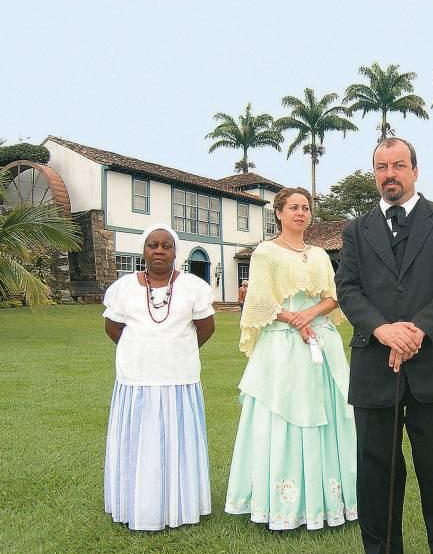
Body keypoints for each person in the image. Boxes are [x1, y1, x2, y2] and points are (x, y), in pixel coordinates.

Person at [335, 138, 433, 554]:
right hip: (375, 363)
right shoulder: (356, 231)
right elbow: (348, 287)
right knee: (376, 469)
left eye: (398, 165)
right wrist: (382, 329)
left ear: (415, 170)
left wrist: (417, 331)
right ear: (374, 174)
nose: (390, 174)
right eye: (381, 167)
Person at [224, 187, 357, 530]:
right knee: (283, 414)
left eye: (305, 208)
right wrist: (295, 320)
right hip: (282, 343)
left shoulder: (320, 255)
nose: (300, 213)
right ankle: (280, 503)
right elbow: (259, 300)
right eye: (294, 207)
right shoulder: (265, 252)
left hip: (320, 340)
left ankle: (330, 499)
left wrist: (309, 315)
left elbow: (334, 296)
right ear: (279, 213)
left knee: (331, 413)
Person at [103, 223, 215, 531]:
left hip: (179, 379)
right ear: (144, 250)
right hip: (136, 380)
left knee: (177, 443)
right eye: (153, 245)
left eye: (166, 246)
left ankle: (181, 504)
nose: (160, 251)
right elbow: (113, 328)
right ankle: (138, 504)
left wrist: (176, 349)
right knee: (140, 443)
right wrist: (141, 350)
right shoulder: (124, 288)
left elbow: (206, 328)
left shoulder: (193, 287)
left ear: (175, 252)